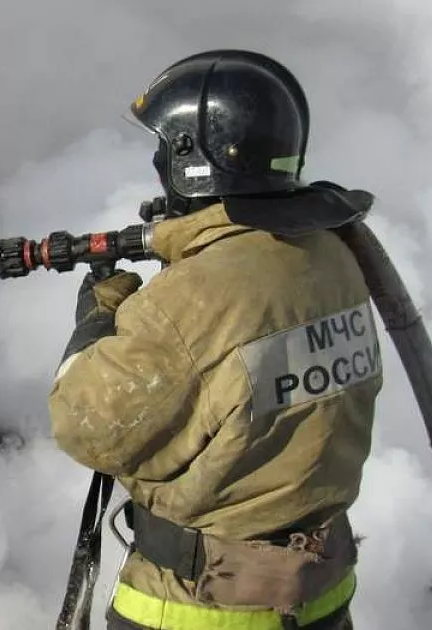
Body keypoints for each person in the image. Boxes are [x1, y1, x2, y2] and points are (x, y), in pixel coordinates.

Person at [47, 49, 380, 630]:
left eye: (164, 146)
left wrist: (95, 324)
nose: (157, 160)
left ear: (193, 157)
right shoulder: (332, 254)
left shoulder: (195, 298)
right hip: (320, 598)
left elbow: (87, 425)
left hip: (198, 608)